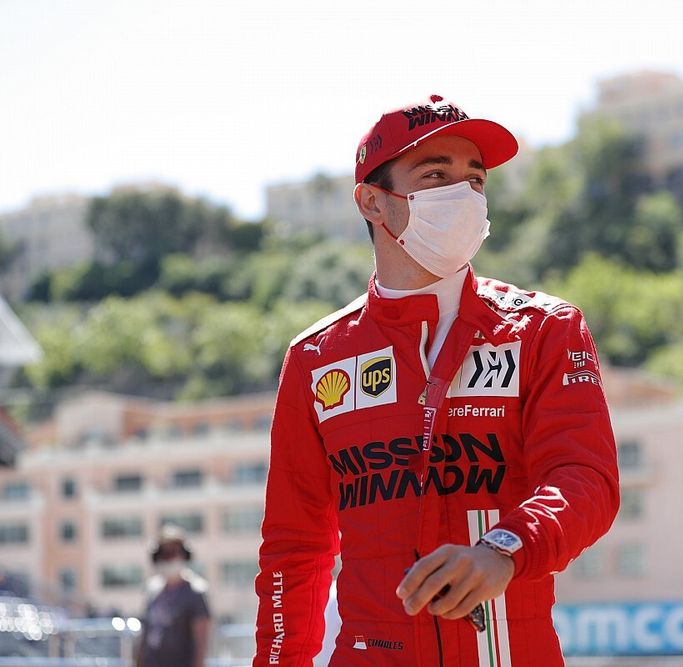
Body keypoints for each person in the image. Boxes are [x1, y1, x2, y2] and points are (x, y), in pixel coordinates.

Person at [252, 94, 620, 666]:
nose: (464, 195)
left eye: (474, 179)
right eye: (435, 175)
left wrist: (505, 547)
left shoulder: (544, 330)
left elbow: (586, 481)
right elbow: (293, 553)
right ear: (373, 202)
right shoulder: (316, 358)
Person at [136, 525, 210, 667]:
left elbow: (201, 643)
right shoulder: (152, 590)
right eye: (165, 553)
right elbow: (145, 638)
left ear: (184, 554)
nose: (169, 558)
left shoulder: (196, 592)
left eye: (174, 552)